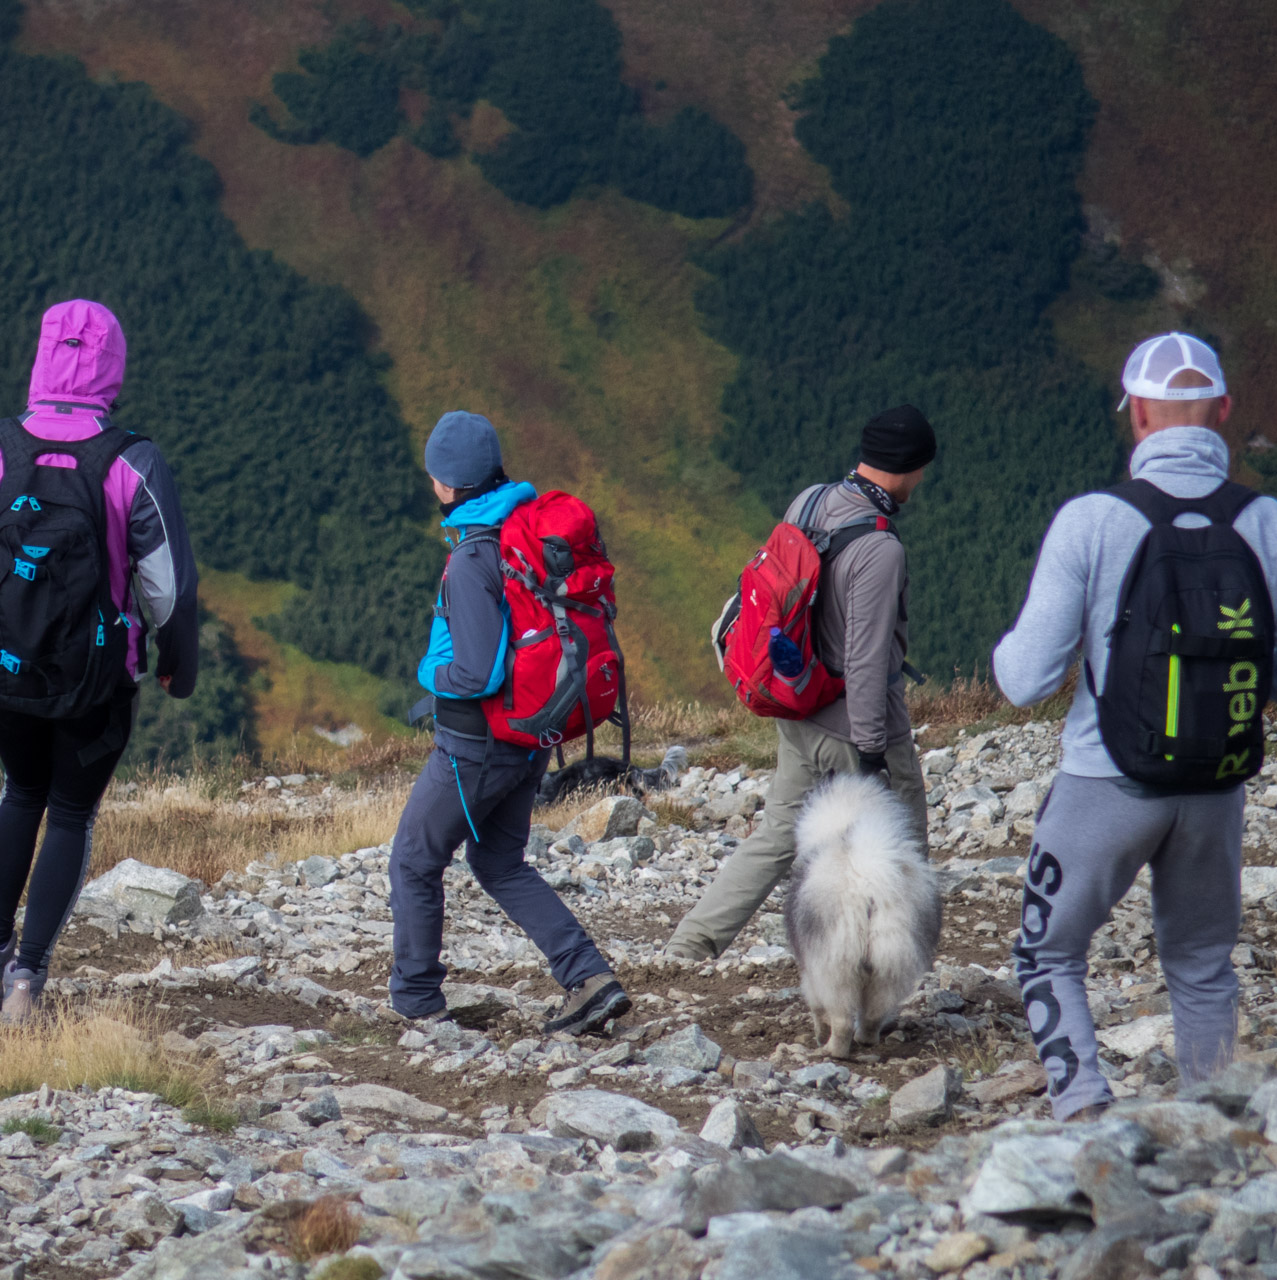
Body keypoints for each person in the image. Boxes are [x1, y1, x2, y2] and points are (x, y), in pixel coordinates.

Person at [993, 332, 1277, 1118]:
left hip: (1102, 783)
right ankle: (1214, 1124)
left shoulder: (1091, 521)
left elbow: (1025, 681)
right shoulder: (1274, 525)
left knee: (1047, 953)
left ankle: (1086, 1114)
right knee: (1201, 961)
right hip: (1217, 788)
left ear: (1139, 416)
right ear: (1221, 412)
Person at [0, 299, 199, 1025]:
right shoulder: (133, 460)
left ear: (41, 357)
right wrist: (178, 662)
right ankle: (27, 983)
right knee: (70, 812)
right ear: (112, 365)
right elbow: (167, 585)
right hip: (95, 680)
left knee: (19, 792)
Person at [389, 411, 631, 1034]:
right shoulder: (520, 531)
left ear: (445, 483)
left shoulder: (473, 556)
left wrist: (427, 678)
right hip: (530, 736)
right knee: (498, 863)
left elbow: (476, 673)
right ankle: (589, 978)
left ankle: (417, 1006)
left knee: (415, 858)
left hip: (475, 745)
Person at [667, 406, 938, 961]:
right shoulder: (880, 549)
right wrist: (870, 755)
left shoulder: (810, 501)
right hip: (855, 726)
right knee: (902, 849)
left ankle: (690, 945)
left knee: (778, 837)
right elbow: (865, 659)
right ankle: (897, 969)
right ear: (910, 468)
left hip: (798, 710)